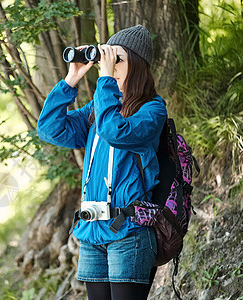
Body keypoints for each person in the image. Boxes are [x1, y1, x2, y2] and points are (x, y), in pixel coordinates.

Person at [37, 25, 167, 300]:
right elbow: (48, 128)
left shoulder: (152, 109)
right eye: (109, 58)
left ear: (139, 65)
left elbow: (113, 131)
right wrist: (71, 79)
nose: (111, 65)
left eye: (118, 58)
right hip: (92, 230)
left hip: (128, 231)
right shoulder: (98, 110)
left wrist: (105, 81)